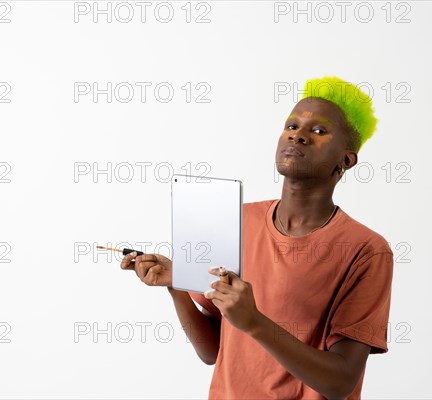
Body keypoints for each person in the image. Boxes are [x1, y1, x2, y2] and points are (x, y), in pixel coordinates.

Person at [120, 76, 394, 399]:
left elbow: (340, 381)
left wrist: (254, 322)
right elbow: (212, 351)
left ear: (346, 161)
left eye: (318, 131)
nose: (298, 135)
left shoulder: (367, 251)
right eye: (291, 125)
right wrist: (176, 286)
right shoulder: (235, 220)